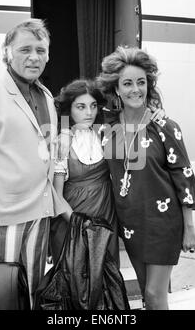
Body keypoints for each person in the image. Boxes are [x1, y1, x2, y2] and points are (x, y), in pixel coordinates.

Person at [0, 19, 72, 307]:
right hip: (3, 219)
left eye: (40, 50)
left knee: (34, 294)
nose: (34, 57)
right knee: (3, 297)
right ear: (7, 52)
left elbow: (49, 154)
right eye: (25, 49)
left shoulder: (47, 97)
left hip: (40, 215)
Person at [96, 46, 195, 310]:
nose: (135, 89)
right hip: (131, 224)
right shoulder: (107, 129)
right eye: (128, 83)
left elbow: (184, 176)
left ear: (149, 86)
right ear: (116, 89)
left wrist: (189, 228)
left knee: (155, 295)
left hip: (162, 224)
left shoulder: (165, 127)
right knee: (147, 294)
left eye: (141, 82)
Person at [49, 79, 120, 266]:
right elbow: (56, 195)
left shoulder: (104, 134)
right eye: (81, 107)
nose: (89, 113)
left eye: (93, 106)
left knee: (107, 280)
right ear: (69, 109)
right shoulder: (62, 142)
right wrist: (80, 224)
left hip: (105, 219)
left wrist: (155, 110)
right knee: (76, 282)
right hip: (73, 224)